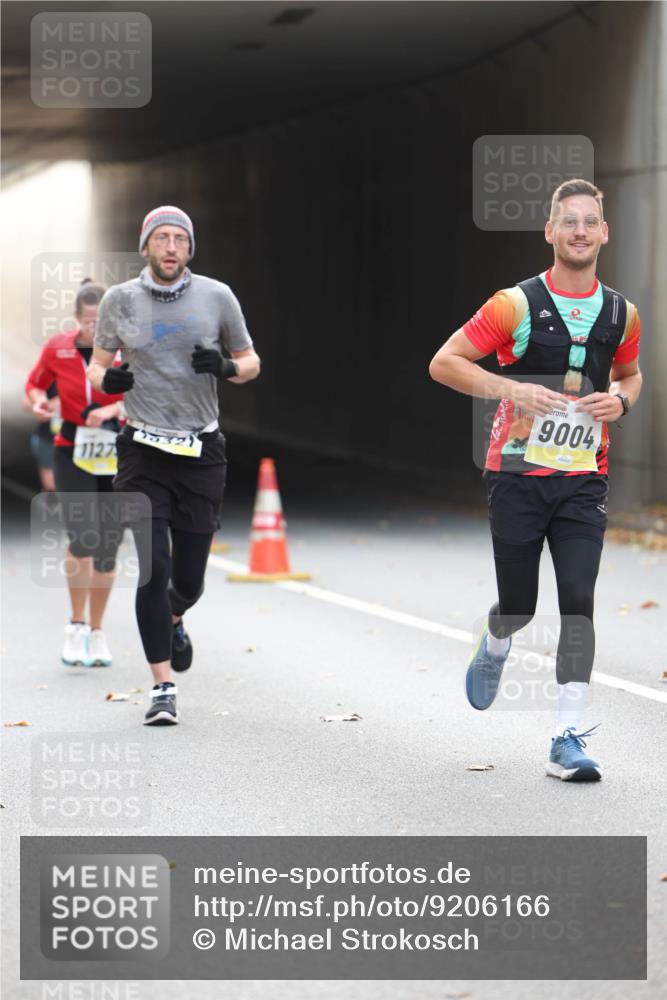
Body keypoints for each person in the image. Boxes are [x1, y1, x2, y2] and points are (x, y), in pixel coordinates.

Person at [429, 179, 642, 782]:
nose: (579, 231)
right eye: (567, 221)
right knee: (520, 606)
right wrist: (511, 387)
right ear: (550, 232)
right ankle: (497, 639)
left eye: (589, 222)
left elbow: (631, 376)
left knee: (578, 602)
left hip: (584, 478)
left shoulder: (621, 312)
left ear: (604, 232)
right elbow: (444, 362)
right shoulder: (513, 305)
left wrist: (621, 403)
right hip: (517, 476)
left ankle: (566, 738)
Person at [88, 206, 261, 726]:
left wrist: (228, 367)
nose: (169, 247)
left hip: (200, 450)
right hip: (141, 449)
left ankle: (177, 612)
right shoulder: (120, 301)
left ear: (189, 248)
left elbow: (252, 361)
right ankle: (162, 685)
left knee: (187, 578)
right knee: (153, 569)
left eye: (178, 239)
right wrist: (107, 382)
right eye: (160, 238)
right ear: (146, 247)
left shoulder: (217, 296)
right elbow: (97, 365)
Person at [26, 279, 126, 667]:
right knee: (83, 536)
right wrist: (38, 403)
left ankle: (98, 633)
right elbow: (34, 385)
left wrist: (112, 411)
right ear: (75, 319)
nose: (93, 329)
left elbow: (143, 393)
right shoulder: (58, 347)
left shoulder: (125, 349)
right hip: (72, 450)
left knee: (108, 545)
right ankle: (75, 625)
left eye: (100, 321)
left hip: (117, 452)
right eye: (86, 322)